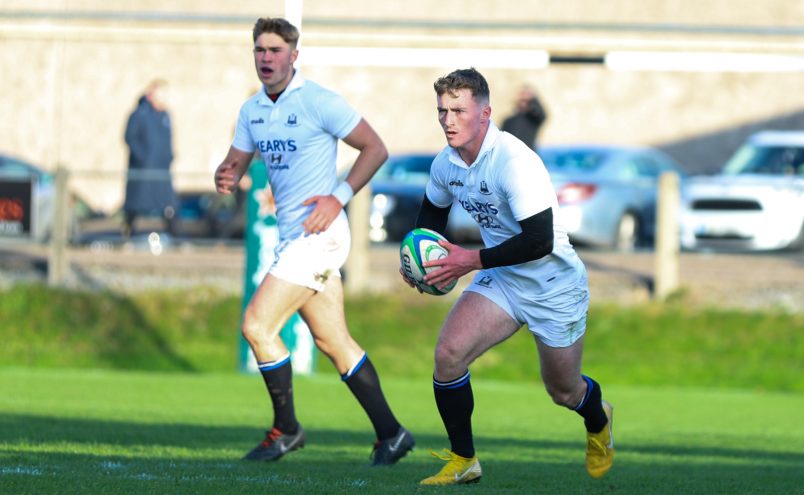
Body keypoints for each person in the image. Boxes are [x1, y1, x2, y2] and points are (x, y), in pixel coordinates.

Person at [214, 17, 414, 466]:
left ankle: (286, 430)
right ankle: (392, 434)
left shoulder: (319, 101)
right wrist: (226, 174)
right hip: (295, 238)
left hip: (319, 238)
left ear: (293, 56)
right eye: (260, 51)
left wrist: (338, 197)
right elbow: (236, 162)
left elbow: (375, 148)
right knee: (334, 342)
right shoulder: (252, 111)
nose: (267, 58)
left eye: (275, 50)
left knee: (257, 326)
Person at [403, 68, 613, 485]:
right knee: (448, 356)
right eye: (442, 111)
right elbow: (430, 219)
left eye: (459, 110)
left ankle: (598, 421)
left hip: (553, 284)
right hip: (501, 278)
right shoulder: (446, 164)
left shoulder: (514, 162)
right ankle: (465, 460)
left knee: (563, 391)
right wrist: (417, 256)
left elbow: (539, 242)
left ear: (485, 113)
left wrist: (468, 260)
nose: (448, 120)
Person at [122, 79, 179, 238]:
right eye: (162, 93)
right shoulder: (139, 114)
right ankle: (127, 235)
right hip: (144, 171)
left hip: (162, 171)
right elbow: (129, 138)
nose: (166, 98)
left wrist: (170, 156)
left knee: (169, 207)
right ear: (152, 94)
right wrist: (143, 158)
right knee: (135, 207)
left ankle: (175, 240)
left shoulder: (166, 116)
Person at [501, 84, 547, 150]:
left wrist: (532, 99)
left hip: (528, 155)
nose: (523, 103)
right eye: (522, 100)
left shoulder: (533, 120)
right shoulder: (508, 121)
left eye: (527, 101)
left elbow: (541, 113)